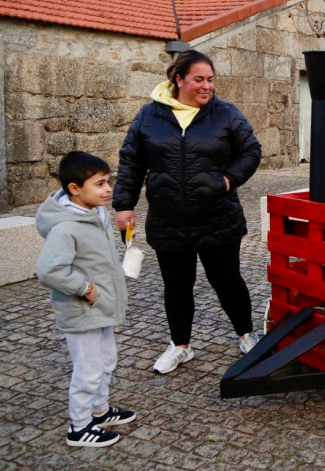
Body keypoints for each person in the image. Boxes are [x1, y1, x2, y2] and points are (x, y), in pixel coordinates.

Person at [113, 49, 262, 375]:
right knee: (177, 286)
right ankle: (181, 347)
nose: (207, 86)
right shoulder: (149, 117)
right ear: (178, 79)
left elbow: (251, 150)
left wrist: (227, 180)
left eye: (210, 79)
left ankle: (247, 336)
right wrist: (124, 204)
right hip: (169, 219)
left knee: (227, 281)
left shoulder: (226, 114)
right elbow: (131, 161)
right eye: (199, 79)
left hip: (217, 216)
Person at [36, 151, 135, 447]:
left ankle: (99, 410)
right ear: (74, 189)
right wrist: (84, 288)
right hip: (82, 311)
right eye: (100, 184)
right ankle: (79, 427)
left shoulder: (96, 214)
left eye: (108, 182)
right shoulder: (66, 227)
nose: (108, 190)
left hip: (100, 306)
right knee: (88, 369)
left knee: (106, 360)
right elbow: (49, 270)